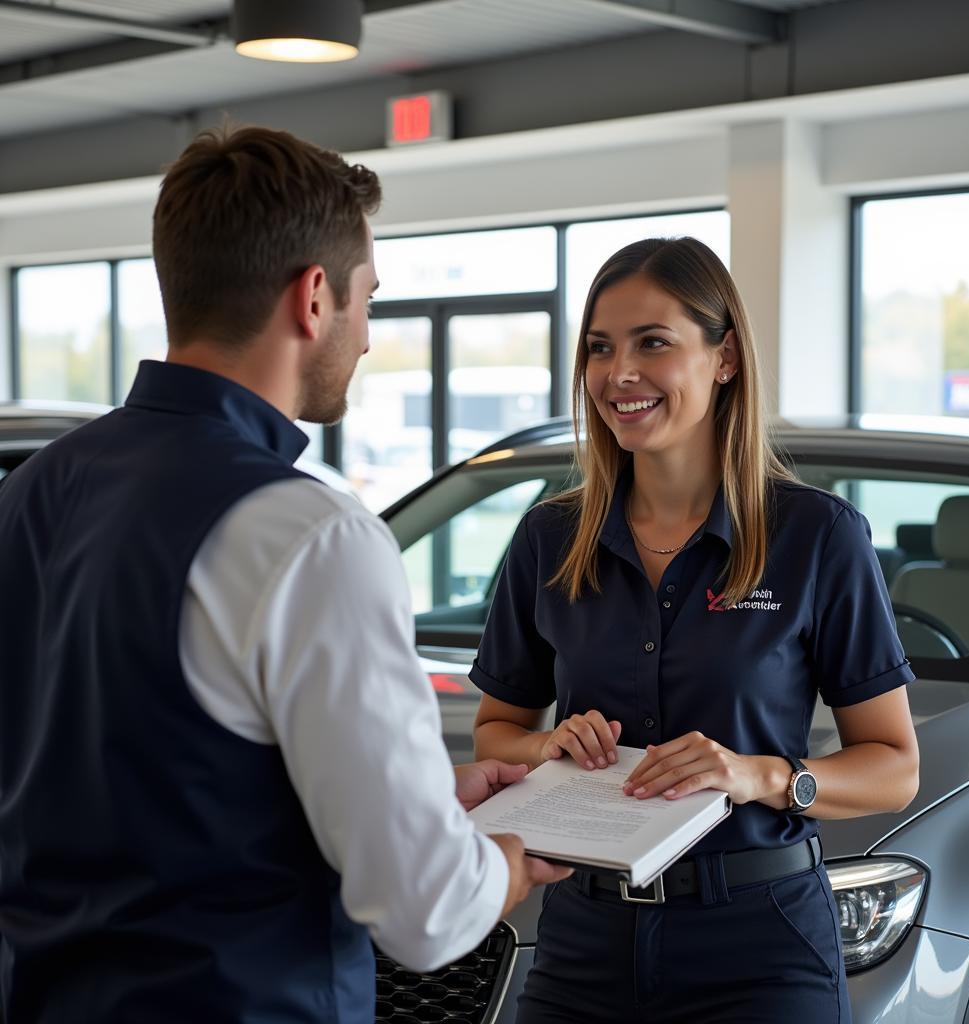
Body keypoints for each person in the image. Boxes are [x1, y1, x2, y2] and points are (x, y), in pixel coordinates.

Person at [0, 125, 569, 1023]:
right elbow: (424, 915)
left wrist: (423, 804)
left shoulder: (30, 493)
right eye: (367, 300)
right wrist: (502, 856)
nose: (370, 337)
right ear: (313, 298)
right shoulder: (311, 534)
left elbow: (126, 776)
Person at [470, 237, 920, 1023]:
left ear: (725, 358)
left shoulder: (816, 537)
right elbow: (497, 732)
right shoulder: (550, 538)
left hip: (760, 945)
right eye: (600, 348)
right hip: (584, 938)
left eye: (654, 343)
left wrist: (762, 776)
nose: (620, 374)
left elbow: (894, 769)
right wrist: (547, 746)